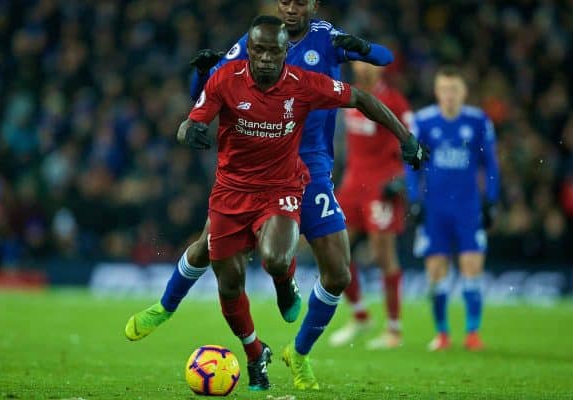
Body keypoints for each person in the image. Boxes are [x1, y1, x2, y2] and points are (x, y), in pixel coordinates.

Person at [125, 0, 406, 390]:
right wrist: (201, 78)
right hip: (249, 171)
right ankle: (168, 306)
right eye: (285, 1)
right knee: (209, 248)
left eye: (299, 2)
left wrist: (358, 46)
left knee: (334, 270)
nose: (292, 8)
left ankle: (299, 352)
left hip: (309, 168)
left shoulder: (328, 39)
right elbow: (210, 89)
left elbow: (383, 59)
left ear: (313, 4)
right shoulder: (252, 43)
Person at [407, 65, 500, 351]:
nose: (449, 95)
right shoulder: (422, 121)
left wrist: (491, 200)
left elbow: (491, 164)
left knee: (472, 267)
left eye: (454, 90)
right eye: (444, 90)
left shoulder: (478, 121)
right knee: (436, 271)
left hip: (468, 208)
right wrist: (414, 200)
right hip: (434, 209)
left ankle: (472, 333)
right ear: (437, 92)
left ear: (464, 92)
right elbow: (412, 165)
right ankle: (443, 333)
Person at [329, 62, 412, 350]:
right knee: (333, 248)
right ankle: (360, 315)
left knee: (382, 254)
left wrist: (402, 178)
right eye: (358, 62)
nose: (363, 68)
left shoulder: (394, 101)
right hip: (353, 184)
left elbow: (412, 141)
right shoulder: (349, 95)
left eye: (369, 64)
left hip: (381, 185)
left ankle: (394, 329)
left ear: (380, 68)